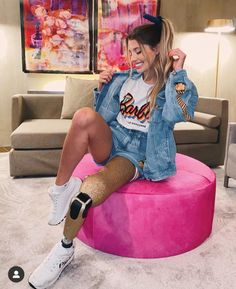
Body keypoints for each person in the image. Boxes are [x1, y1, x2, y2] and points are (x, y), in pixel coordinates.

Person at [28, 13, 198, 289]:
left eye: (138, 50)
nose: (132, 58)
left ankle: (64, 249)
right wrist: (102, 88)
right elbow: (101, 118)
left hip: (136, 154)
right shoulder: (123, 80)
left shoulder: (170, 86)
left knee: (84, 196)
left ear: (157, 50)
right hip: (113, 139)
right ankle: (59, 189)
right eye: (129, 52)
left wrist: (178, 71)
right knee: (83, 116)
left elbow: (180, 112)